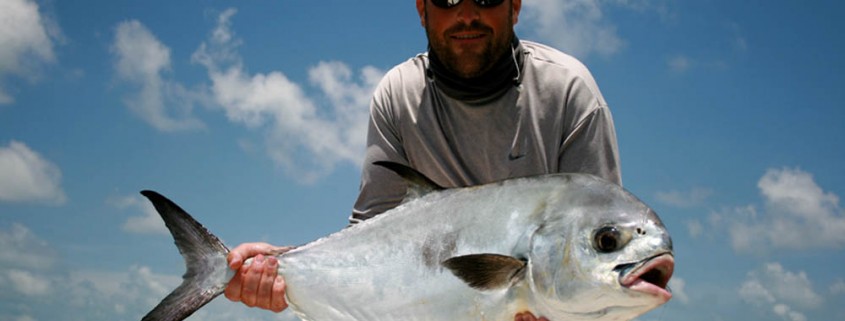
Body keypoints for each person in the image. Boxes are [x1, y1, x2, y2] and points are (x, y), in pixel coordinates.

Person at [224, 0, 621, 320]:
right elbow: (371, 237)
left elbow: (599, 239)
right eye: (447, 0)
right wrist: (282, 264)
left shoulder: (568, 91)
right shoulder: (399, 95)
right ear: (421, 9)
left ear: (515, 6)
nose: (467, 14)